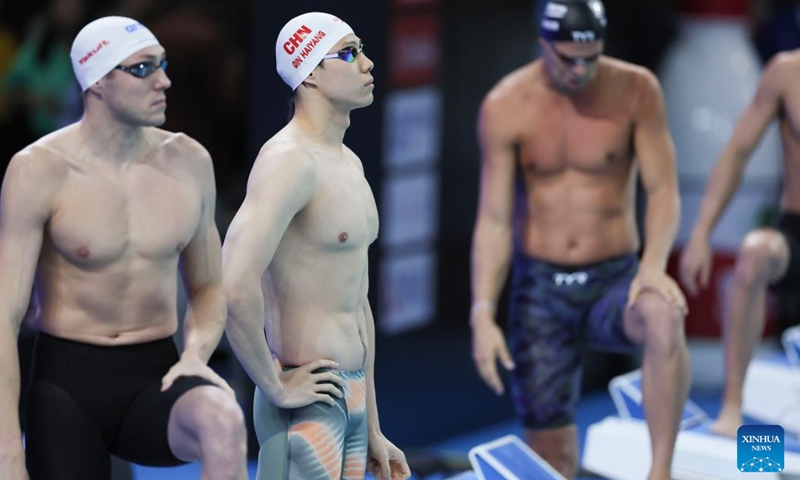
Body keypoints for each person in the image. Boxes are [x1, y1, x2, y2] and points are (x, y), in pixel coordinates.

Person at [0, 16, 248, 480]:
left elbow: (209, 286)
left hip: (156, 374)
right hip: (67, 385)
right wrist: (8, 451)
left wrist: (195, 352)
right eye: (143, 68)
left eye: (163, 64)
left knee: (224, 419)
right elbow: (4, 315)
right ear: (96, 81)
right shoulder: (39, 170)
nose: (164, 80)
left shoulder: (190, 161)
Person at [469, 1, 689, 479]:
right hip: (542, 292)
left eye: (589, 58)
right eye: (567, 58)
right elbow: (494, 218)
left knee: (662, 314)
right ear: (543, 44)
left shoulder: (635, 89)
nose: (579, 69)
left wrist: (653, 265)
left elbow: (663, 189)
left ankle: (662, 471)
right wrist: (482, 310)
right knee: (555, 463)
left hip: (615, 280)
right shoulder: (506, 105)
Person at [222, 11, 409, 480]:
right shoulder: (288, 162)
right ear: (308, 74)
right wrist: (272, 383)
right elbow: (232, 282)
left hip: (350, 397)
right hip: (306, 403)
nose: (367, 64)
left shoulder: (349, 164)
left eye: (363, 49)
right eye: (348, 53)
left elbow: (355, 301)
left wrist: (374, 426)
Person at [679, 49, 800, 438]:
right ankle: (733, 407)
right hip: (795, 234)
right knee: (754, 253)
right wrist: (701, 233)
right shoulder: (786, 73)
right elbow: (736, 154)